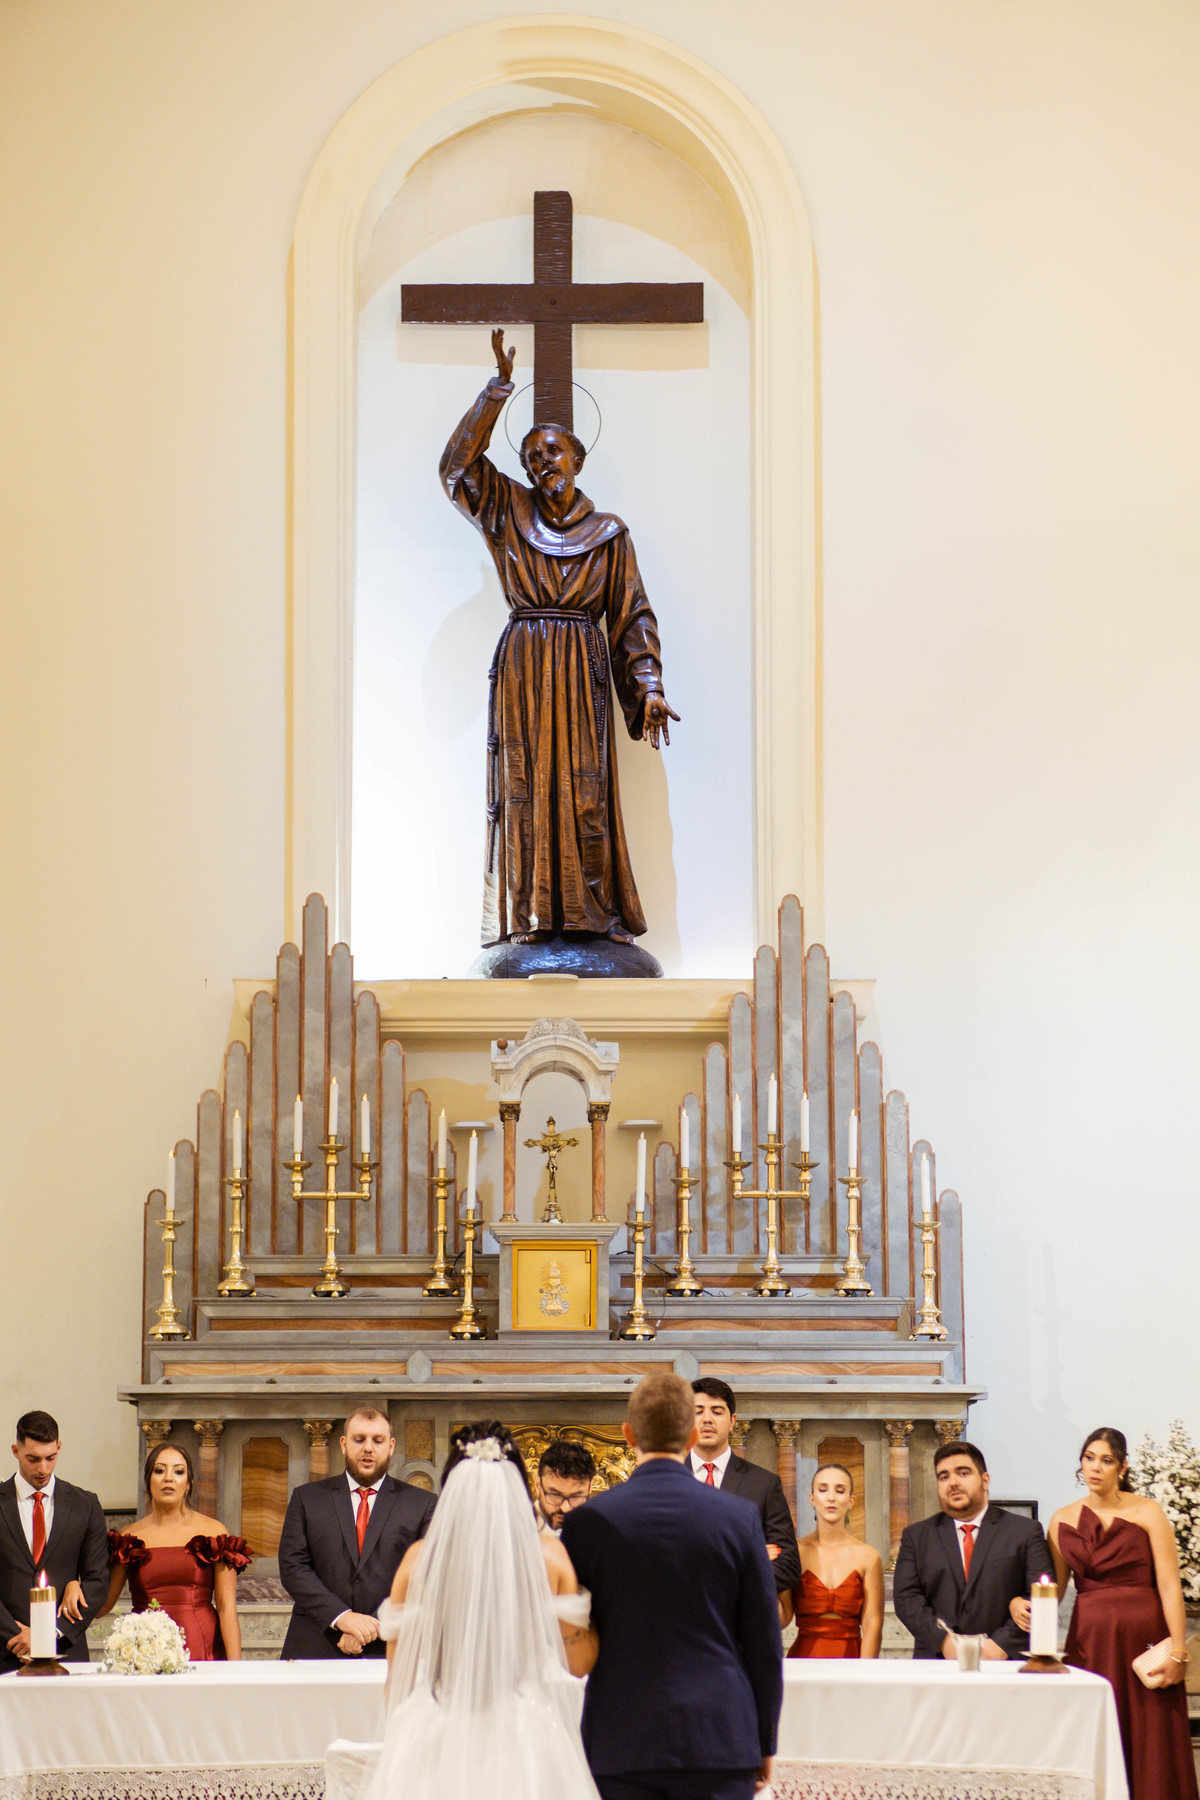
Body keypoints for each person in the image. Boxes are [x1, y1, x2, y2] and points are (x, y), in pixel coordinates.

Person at [441, 333, 679, 950]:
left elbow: (631, 615)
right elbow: (456, 470)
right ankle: (526, 916)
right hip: (525, 665)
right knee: (523, 788)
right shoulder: (507, 511)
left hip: (580, 671)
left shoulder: (608, 533)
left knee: (584, 792)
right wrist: (496, 393)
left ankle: (593, 915)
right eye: (532, 457)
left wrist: (649, 686)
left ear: (577, 459)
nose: (543, 463)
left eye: (553, 451)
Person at [325, 1420, 599, 1800]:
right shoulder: (550, 1557)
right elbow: (578, 1664)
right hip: (524, 1732)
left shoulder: (421, 1560)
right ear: (520, 1486)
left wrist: (405, 1742)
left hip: (440, 1727)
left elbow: (400, 1681)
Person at [562, 1371, 783, 1800]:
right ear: (690, 1435)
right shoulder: (738, 1518)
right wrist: (764, 1739)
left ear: (628, 1434)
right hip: (720, 1735)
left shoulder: (587, 1522)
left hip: (622, 1737)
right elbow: (763, 1640)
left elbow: (574, 1635)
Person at [1028, 1426, 1197, 1800]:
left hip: (1144, 1640)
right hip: (1091, 1643)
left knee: (1151, 1735)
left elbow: (1170, 1585)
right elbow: (1053, 1591)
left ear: (1122, 1467)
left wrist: (1179, 1651)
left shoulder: (1148, 1511)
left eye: (1106, 1460)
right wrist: (1028, 1611)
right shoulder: (1061, 1519)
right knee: (1096, 1731)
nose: (1095, 1467)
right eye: (1089, 1458)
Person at [278, 1404, 435, 1659]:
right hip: (316, 1645)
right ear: (343, 1444)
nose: (368, 1448)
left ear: (391, 1446)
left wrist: (371, 1626)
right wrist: (342, 1618)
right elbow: (292, 1567)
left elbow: (428, 1574)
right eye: (359, 1439)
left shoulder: (423, 1504)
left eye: (378, 1440)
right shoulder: (307, 1499)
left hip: (391, 1649)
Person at [892, 1438, 1053, 1659]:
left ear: (985, 1480)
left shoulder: (1025, 1531)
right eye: (944, 1476)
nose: (953, 1482)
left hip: (1006, 1662)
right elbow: (907, 1599)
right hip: (938, 1661)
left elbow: (1041, 1595)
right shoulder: (917, 1536)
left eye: (963, 1473)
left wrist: (1001, 1645)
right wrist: (944, 1641)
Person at [98, 1442, 249, 1659]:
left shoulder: (214, 1532)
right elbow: (103, 1606)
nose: (168, 1478)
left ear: (189, 1483)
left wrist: (236, 1669)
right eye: (159, 1471)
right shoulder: (127, 1538)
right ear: (148, 1480)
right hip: (145, 1652)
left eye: (178, 1472)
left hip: (203, 1648)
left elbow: (227, 1608)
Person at [0, 1409, 109, 1672]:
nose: (43, 1468)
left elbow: (97, 1581)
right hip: (5, 1650)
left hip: (66, 1650)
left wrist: (51, 1633)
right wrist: (16, 1633)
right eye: (33, 1459)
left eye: (51, 1457)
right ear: (15, 1451)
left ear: (59, 1447)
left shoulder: (85, 1504)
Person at [691, 1378, 801, 1600]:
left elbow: (788, 1565)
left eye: (717, 1411)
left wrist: (732, 1579)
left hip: (739, 1616)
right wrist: (749, 1560)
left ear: (732, 1421)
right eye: (698, 1411)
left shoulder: (763, 1484)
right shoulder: (666, 1482)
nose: (707, 1419)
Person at [783, 1463, 883, 1658]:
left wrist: (866, 1672)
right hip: (804, 1661)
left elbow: (873, 1626)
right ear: (812, 1498)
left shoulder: (868, 1556)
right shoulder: (795, 1551)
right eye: (823, 1490)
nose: (831, 1497)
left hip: (852, 1660)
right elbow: (781, 1616)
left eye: (840, 1490)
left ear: (851, 1500)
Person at [536, 1441, 597, 1535]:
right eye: (555, 1495)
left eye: (575, 1497)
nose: (565, 1508)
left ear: (590, 1488)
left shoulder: (603, 1531)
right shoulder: (515, 1529)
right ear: (538, 1485)